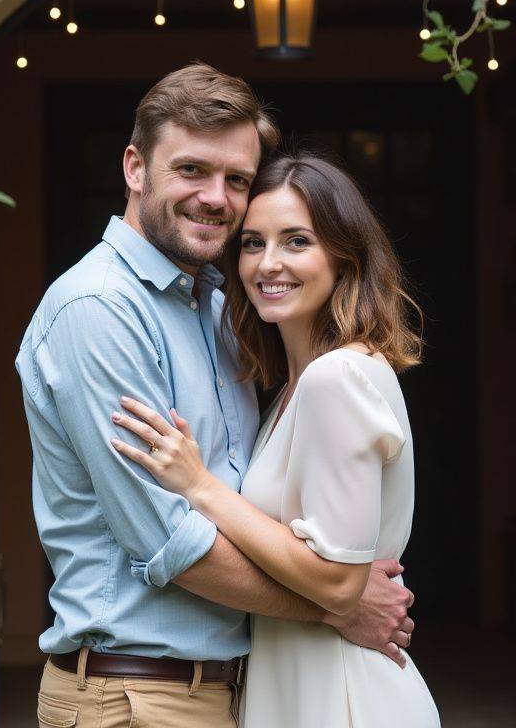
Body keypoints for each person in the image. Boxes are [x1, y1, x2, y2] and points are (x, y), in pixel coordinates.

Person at [16, 64, 416, 728]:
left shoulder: (222, 308)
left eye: (236, 180)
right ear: (136, 168)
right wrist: (339, 605)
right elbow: (174, 545)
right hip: (136, 695)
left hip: (227, 688)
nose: (216, 197)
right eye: (192, 170)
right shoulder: (99, 309)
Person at [111, 152, 441, 726]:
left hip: (341, 696)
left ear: (343, 255)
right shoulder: (292, 389)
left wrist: (202, 488)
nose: (269, 264)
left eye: (296, 242)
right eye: (252, 243)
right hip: (298, 685)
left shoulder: (336, 377)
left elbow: (338, 583)